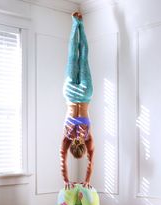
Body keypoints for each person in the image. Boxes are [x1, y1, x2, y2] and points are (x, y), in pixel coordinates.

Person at [60, 11, 94, 189]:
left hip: (85, 94)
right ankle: (76, 23)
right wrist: (65, 179)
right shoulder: (67, 137)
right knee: (73, 56)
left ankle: (79, 23)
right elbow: (62, 160)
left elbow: (91, 162)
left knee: (83, 57)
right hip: (71, 94)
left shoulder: (87, 138)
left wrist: (88, 179)